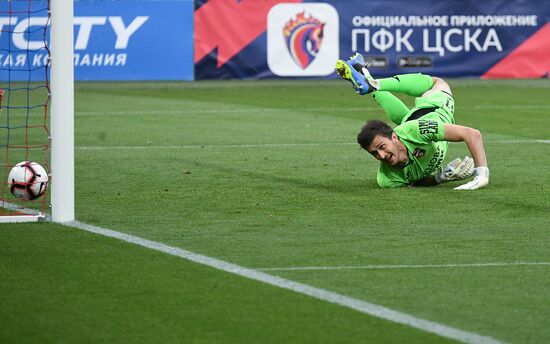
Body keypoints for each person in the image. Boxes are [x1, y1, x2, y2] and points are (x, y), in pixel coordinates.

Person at [335, 53, 489, 190]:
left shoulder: (418, 131)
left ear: (394, 137)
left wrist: (482, 174)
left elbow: (472, 134)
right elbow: (415, 182)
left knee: (436, 82)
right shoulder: (387, 180)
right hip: (413, 121)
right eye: (374, 153)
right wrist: (439, 178)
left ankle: (373, 84)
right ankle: (366, 76)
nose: (381, 155)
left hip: (435, 103)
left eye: (381, 147)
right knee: (406, 121)